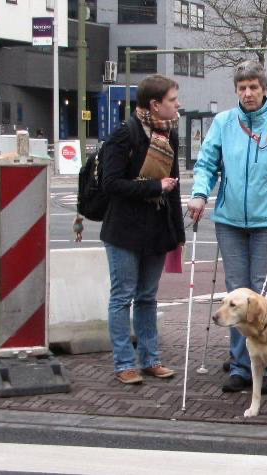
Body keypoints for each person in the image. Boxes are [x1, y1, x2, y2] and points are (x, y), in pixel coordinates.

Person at [188, 60, 267, 393]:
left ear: (264, 89)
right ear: (236, 91)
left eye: (253, 87)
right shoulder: (224, 122)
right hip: (229, 221)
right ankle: (241, 366)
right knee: (235, 294)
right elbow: (207, 162)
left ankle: (265, 364)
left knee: (261, 293)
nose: (248, 93)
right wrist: (199, 194)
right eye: (242, 88)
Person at [101, 74, 184, 384]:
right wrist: (154, 186)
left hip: (157, 229)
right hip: (124, 230)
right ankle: (124, 362)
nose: (178, 105)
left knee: (147, 296)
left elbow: (172, 188)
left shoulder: (169, 135)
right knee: (122, 296)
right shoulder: (125, 134)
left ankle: (150, 359)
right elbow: (111, 184)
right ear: (155, 104)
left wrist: (178, 232)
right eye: (173, 100)